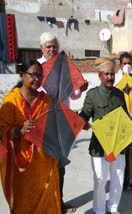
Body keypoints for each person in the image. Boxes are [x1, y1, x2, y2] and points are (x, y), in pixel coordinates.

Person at [79, 57, 132, 214]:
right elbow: (84, 115)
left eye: (112, 74)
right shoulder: (92, 95)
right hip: (99, 147)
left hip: (118, 145)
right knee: (100, 180)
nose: (110, 77)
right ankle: (99, 209)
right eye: (106, 74)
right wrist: (83, 124)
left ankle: (113, 207)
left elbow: (125, 118)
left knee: (118, 178)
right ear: (100, 75)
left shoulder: (119, 94)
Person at [0, 60, 61, 213]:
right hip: (20, 163)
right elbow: (2, 129)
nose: (37, 79)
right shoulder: (11, 100)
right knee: (23, 201)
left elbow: (55, 124)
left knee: (47, 200)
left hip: (44, 160)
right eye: (33, 75)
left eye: (40, 76)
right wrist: (19, 130)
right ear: (21, 75)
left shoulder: (45, 100)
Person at [38, 31, 88, 213]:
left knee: (60, 165)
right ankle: (45, 203)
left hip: (62, 123)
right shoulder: (37, 68)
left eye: (54, 46)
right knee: (44, 166)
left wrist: (80, 88)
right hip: (43, 123)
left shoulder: (64, 65)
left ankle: (58, 202)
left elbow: (72, 95)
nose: (52, 49)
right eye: (48, 46)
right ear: (41, 49)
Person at [114, 52, 132, 192]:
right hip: (120, 121)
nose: (127, 66)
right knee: (121, 154)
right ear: (120, 65)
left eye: (129, 63)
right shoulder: (116, 80)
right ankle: (122, 181)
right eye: (124, 63)